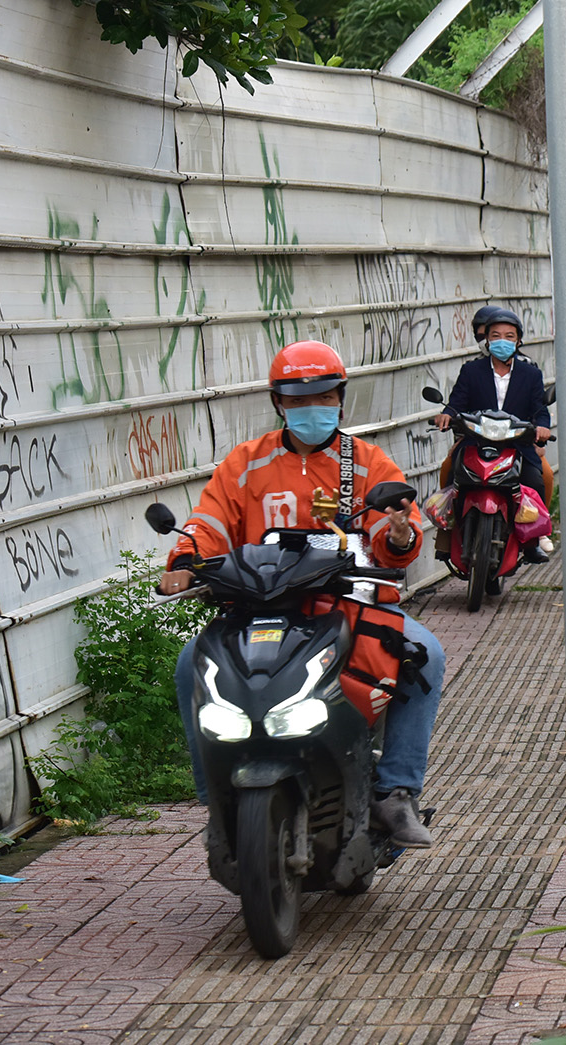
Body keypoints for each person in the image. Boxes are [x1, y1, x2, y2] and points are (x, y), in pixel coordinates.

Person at [163, 341, 443, 848]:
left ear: (340, 398)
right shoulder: (244, 464)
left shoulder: (368, 462)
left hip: (348, 605)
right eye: (297, 400)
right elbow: (207, 522)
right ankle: (215, 801)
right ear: (278, 403)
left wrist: (401, 534)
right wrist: (184, 561)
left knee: (426, 655)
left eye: (322, 397)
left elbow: (397, 536)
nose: (310, 408)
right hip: (258, 609)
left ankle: (396, 790)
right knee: (190, 664)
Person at [437, 306, 553, 563]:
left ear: (519, 340)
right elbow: (457, 402)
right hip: (475, 441)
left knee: (535, 480)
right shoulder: (471, 370)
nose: (503, 341)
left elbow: (539, 410)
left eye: (509, 336)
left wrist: (543, 427)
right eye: (496, 335)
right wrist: (447, 414)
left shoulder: (531, 373)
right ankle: (446, 533)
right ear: (486, 340)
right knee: (450, 473)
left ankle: (532, 540)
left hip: (517, 445)